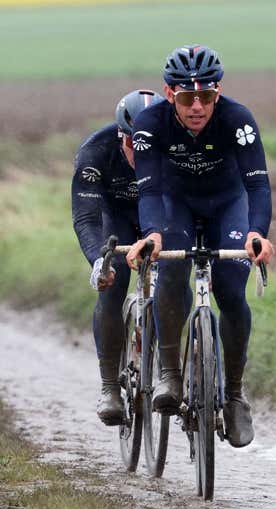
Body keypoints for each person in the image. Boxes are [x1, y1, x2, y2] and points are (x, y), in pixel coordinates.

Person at [125, 45, 276, 448]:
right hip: (175, 205)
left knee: (230, 289)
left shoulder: (237, 119)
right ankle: (171, 373)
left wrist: (256, 233)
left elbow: (257, 184)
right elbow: (151, 190)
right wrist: (153, 232)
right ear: (169, 93)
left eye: (205, 97)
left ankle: (234, 395)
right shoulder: (149, 123)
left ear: (218, 92)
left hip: (227, 205)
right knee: (172, 273)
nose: (196, 107)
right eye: (186, 97)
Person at [71, 89, 158, 425]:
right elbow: (86, 218)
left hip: (160, 220)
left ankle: (170, 370)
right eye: (132, 146)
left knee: (172, 283)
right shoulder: (97, 151)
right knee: (113, 281)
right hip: (116, 221)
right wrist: (98, 260)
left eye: (147, 147)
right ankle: (109, 386)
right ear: (120, 135)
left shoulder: (174, 148)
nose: (140, 155)